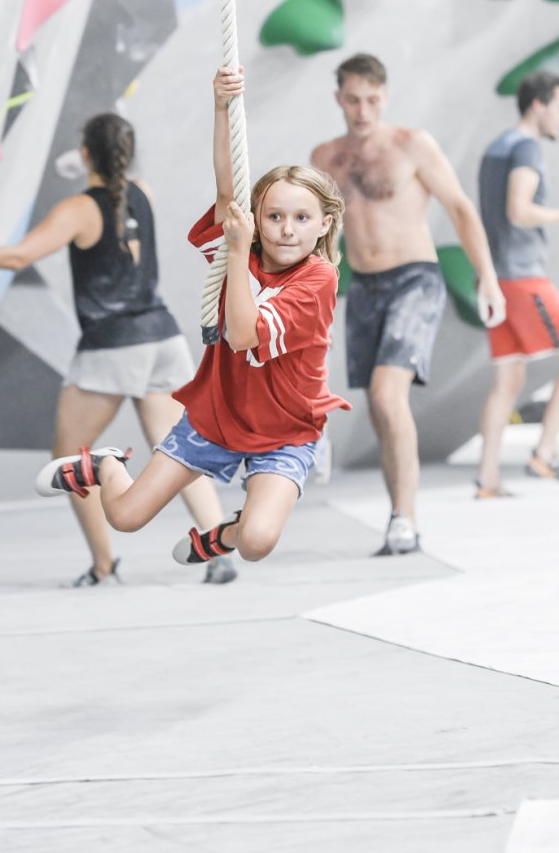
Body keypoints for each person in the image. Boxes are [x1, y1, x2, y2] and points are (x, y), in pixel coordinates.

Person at [34, 67, 350, 567]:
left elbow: (244, 334)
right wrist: (223, 108)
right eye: (274, 217)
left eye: (301, 219)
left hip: (285, 431)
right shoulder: (239, 249)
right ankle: (106, 465)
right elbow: (228, 188)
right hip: (217, 419)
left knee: (257, 542)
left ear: (324, 224)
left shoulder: (317, 281)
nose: (287, 230)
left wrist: (240, 246)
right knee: (125, 516)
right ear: (259, 219)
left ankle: (223, 535)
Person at [0, 112, 237, 586]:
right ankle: (218, 551)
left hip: (113, 347)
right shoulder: (145, 194)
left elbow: (18, 256)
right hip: (163, 339)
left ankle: (103, 565)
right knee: (179, 452)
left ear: (85, 155)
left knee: (68, 455)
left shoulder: (79, 209)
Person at [311, 53, 505, 554]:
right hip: (366, 289)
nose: (362, 109)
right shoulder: (325, 157)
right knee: (380, 409)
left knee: (385, 393)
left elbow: (460, 207)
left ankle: (407, 517)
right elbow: (325, 237)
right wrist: (313, 298)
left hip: (415, 280)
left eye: (372, 99)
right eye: (353, 99)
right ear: (339, 99)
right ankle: (399, 516)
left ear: (385, 96)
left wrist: (488, 279)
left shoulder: (411, 145)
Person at [476, 71, 559, 496]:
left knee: (508, 381)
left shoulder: (497, 147)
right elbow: (519, 210)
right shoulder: (526, 147)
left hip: (494, 278)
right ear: (538, 105)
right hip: (522, 276)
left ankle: (487, 479)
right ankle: (544, 453)